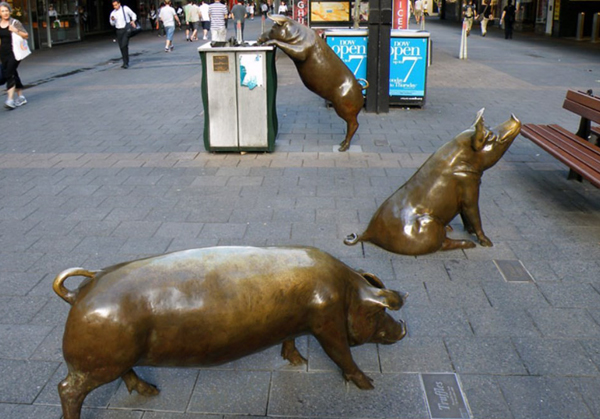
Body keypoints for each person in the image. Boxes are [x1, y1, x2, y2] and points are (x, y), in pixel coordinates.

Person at [0, 1, 28, 109]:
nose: (5, 13)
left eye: (7, 10)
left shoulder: (14, 22)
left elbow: (26, 35)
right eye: (3, 11)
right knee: (13, 73)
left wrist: (15, 30)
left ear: (10, 11)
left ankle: (10, 100)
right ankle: (21, 97)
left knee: (9, 74)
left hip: (15, 53)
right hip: (3, 54)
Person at [109, 0, 137, 69]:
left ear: (119, 4)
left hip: (126, 29)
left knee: (124, 45)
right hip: (118, 30)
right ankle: (125, 61)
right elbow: (112, 24)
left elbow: (133, 14)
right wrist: (112, 20)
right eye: (113, 5)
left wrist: (133, 20)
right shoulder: (113, 13)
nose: (115, 6)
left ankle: (126, 63)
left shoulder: (125, 8)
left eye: (116, 5)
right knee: (121, 46)